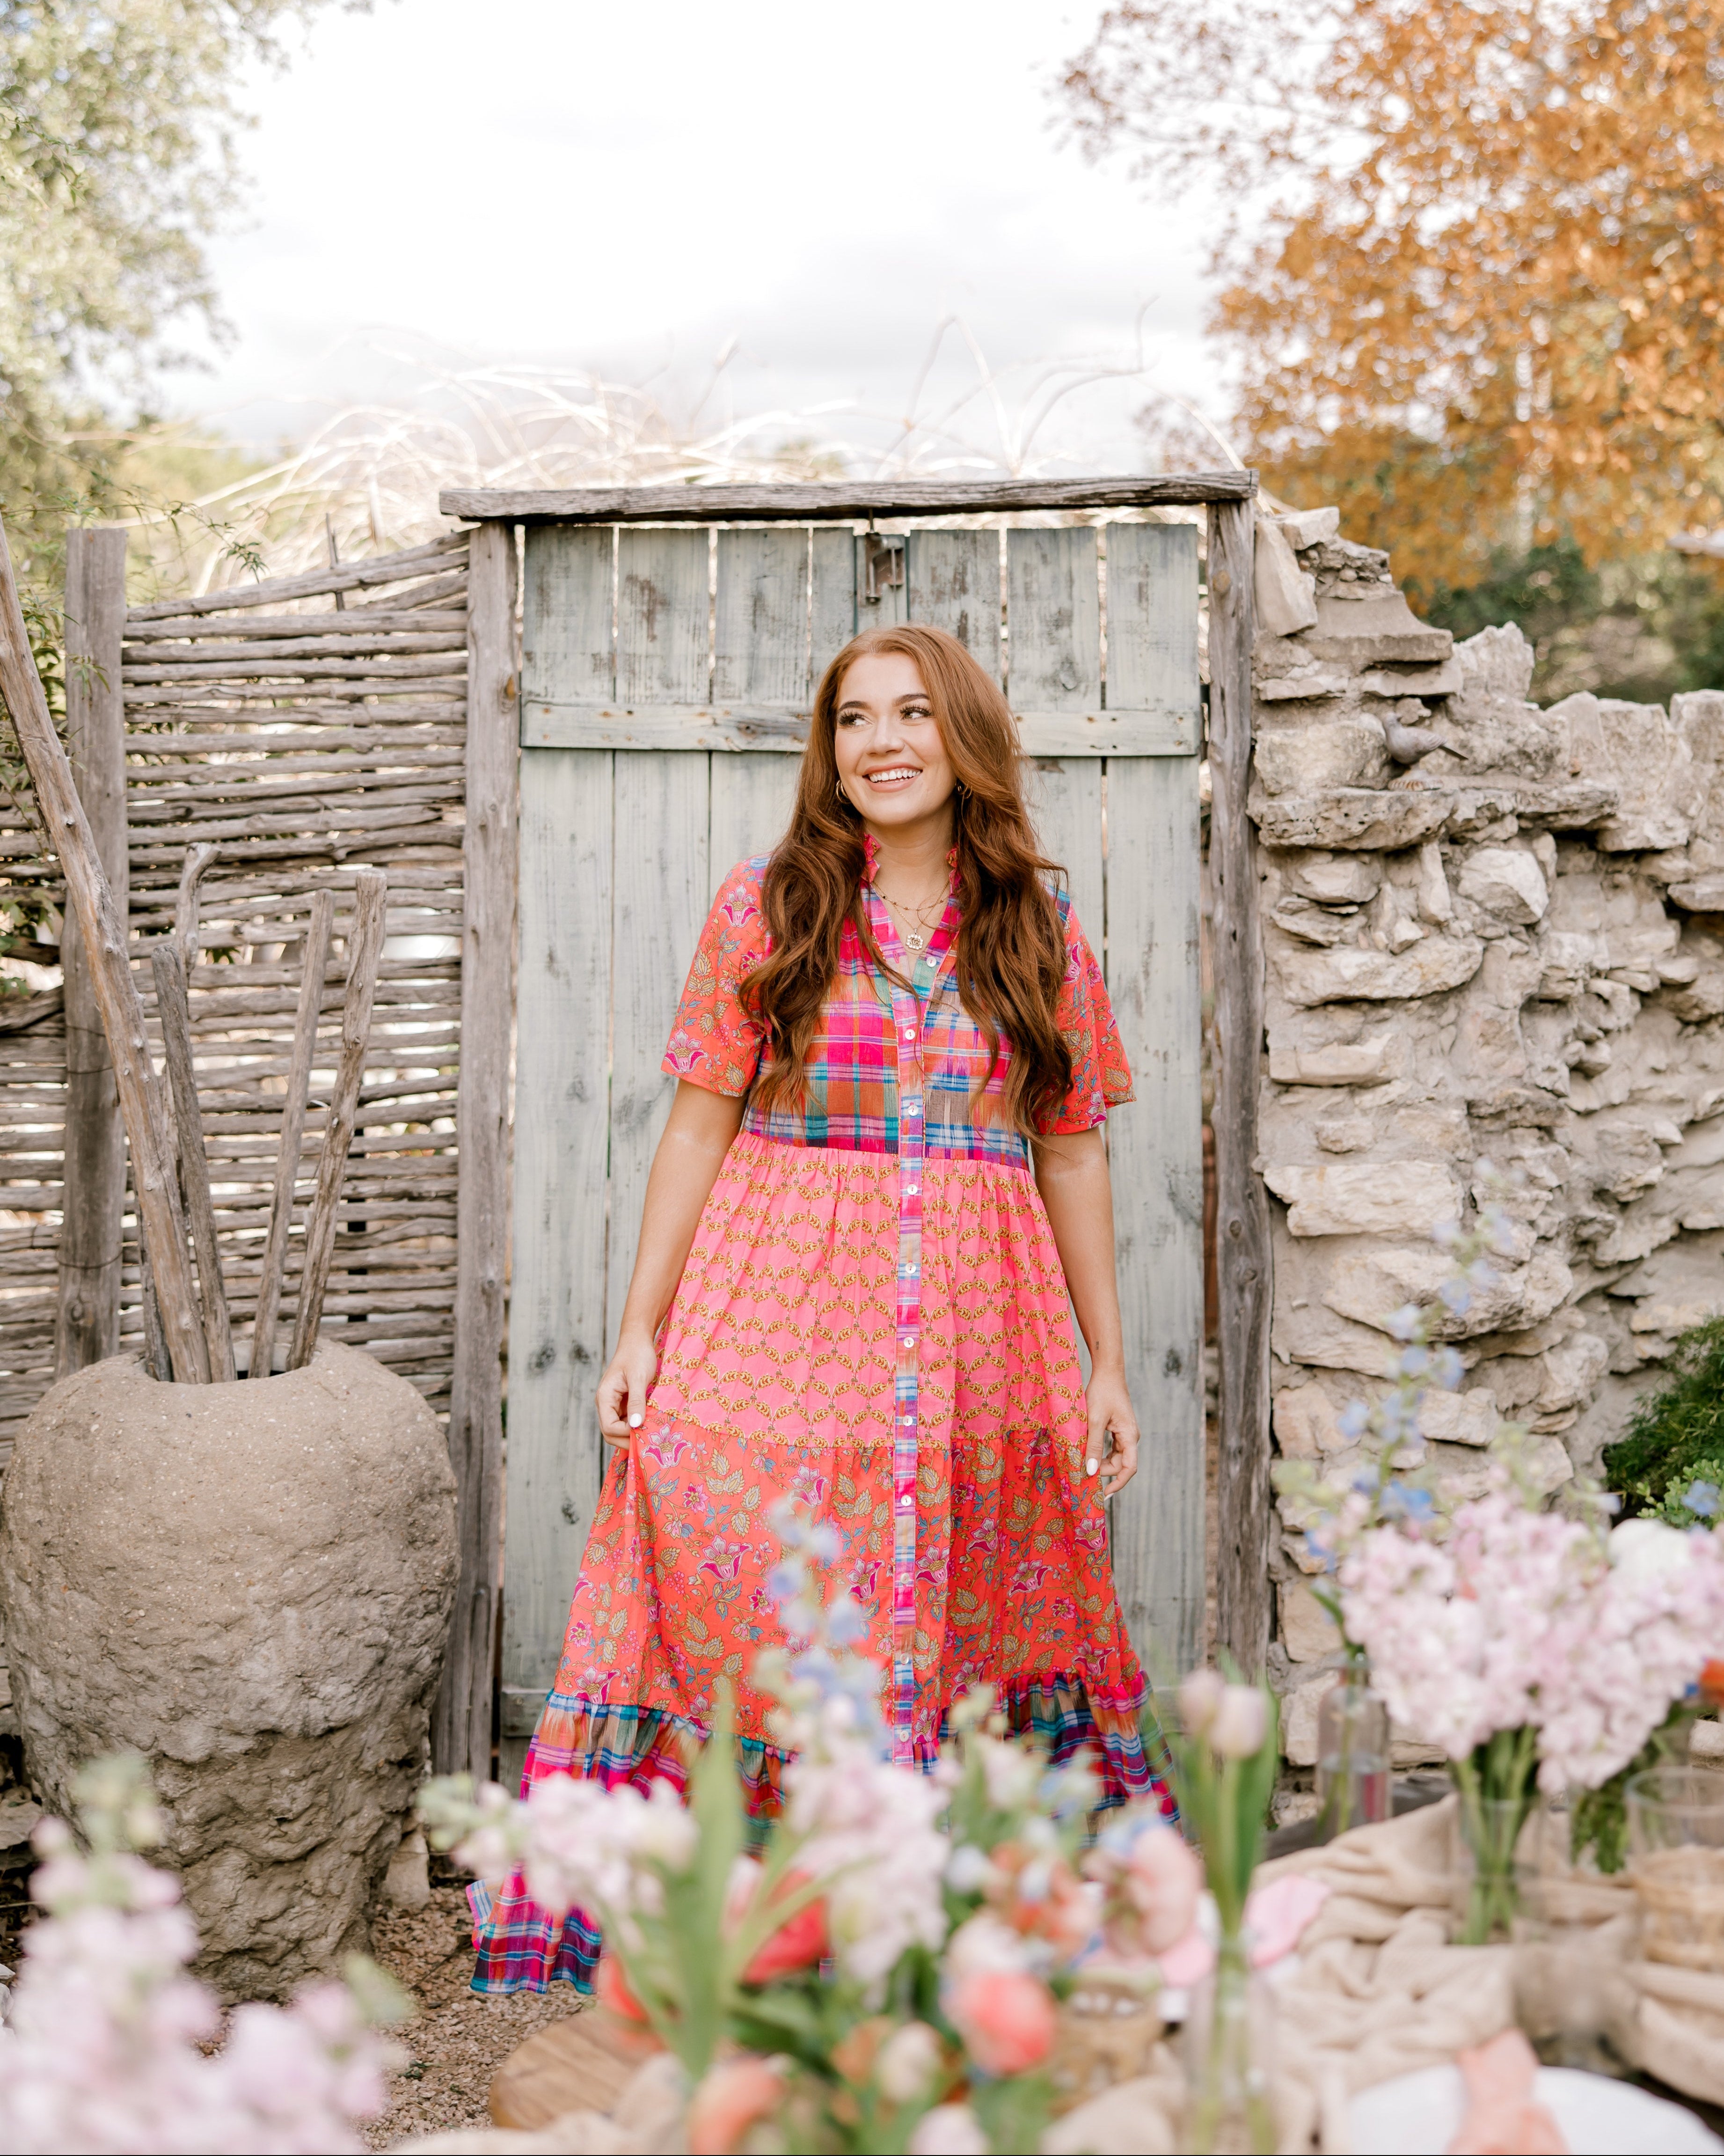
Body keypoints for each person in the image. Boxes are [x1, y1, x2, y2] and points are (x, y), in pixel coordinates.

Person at [472, 622, 1171, 1993]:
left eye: (912, 715)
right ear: (828, 747)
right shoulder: (769, 905)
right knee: (769, 1592)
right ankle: (750, 1926)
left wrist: (1106, 1362)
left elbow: (1074, 1147)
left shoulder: (1040, 923)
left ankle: (958, 1923)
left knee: (979, 1608)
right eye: (854, 720)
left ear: (962, 735)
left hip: (983, 1330)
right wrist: (638, 1330)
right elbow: (692, 1129)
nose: (882, 744)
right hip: (775, 1308)